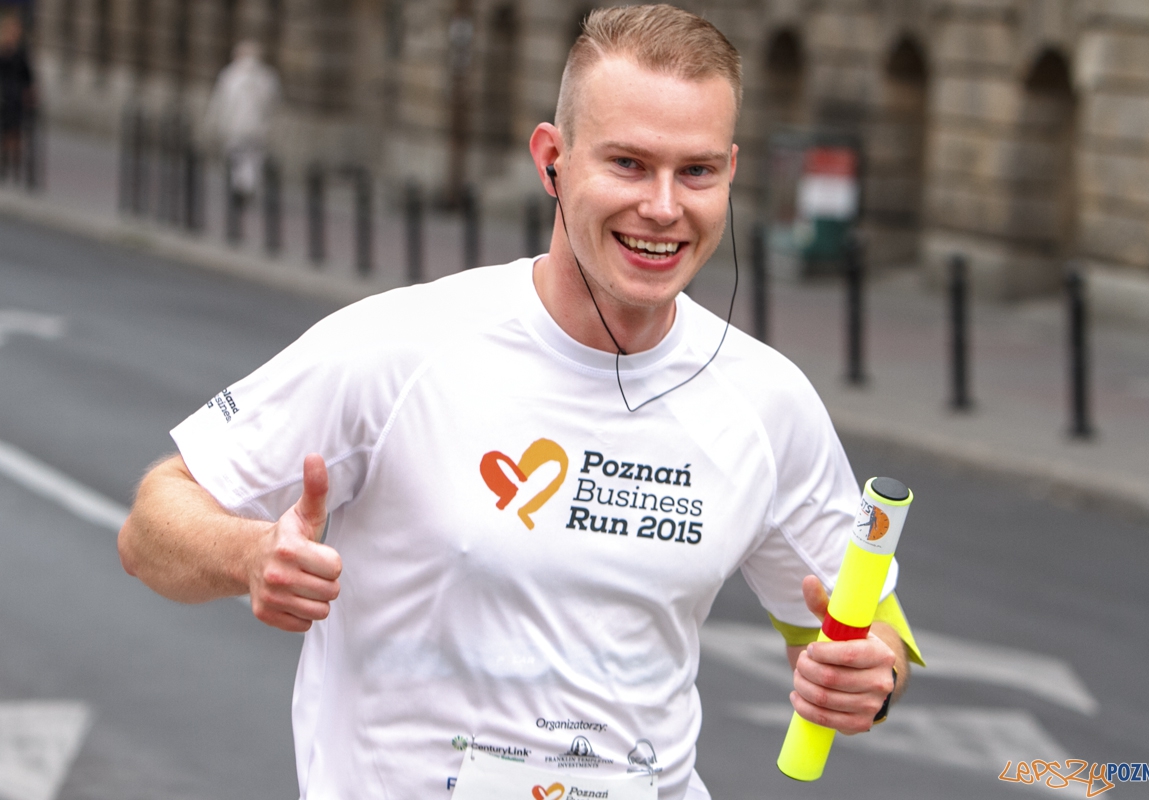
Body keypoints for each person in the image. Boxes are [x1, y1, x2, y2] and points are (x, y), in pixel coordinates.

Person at [119, 6, 923, 799]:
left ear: (731, 174)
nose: (665, 207)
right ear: (553, 159)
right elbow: (153, 523)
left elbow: (860, 627)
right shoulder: (400, 347)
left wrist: (867, 677)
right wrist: (250, 557)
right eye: (629, 165)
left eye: (698, 171)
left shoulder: (766, 400)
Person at [203, 39, 281, 201]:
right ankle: (248, 186)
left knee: (238, 156)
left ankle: (241, 187)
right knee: (253, 157)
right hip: (258, 126)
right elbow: (273, 103)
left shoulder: (231, 75)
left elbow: (220, 102)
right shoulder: (267, 76)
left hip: (235, 125)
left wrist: (213, 122)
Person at [0, 11, 33, 182]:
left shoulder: (21, 52)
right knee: (5, 132)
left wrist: (29, 94)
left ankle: (16, 170)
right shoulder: (3, 50)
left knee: (16, 133)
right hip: (4, 95)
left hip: (16, 97)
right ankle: (4, 167)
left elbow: (28, 75)